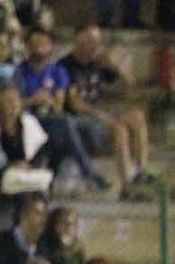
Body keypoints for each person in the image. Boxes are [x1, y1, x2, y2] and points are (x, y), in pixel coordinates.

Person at [59, 23, 155, 194]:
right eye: (89, 41)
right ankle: (127, 185)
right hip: (80, 121)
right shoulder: (65, 66)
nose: (93, 46)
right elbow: (74, 103)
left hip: (99, 119)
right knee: (119, 129)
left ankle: (141, 171)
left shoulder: (97, 64)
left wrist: (115, 66)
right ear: (77, 40)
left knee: (137, 116)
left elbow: (131, 86)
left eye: (96, 42)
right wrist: (100, 115)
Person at [13, 27, 107, 192]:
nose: (39, 47)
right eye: (35, 44)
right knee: (65, 125)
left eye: (43, 43)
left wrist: (48, 101)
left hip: (50, 120)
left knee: (68, 127)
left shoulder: (58, 71)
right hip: (27, 121)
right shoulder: (19, 72)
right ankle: (88, 173)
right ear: (27, 46)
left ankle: (54, 177)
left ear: (51, 47)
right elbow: (13, 105)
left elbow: (58, 106)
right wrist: (32, 100)